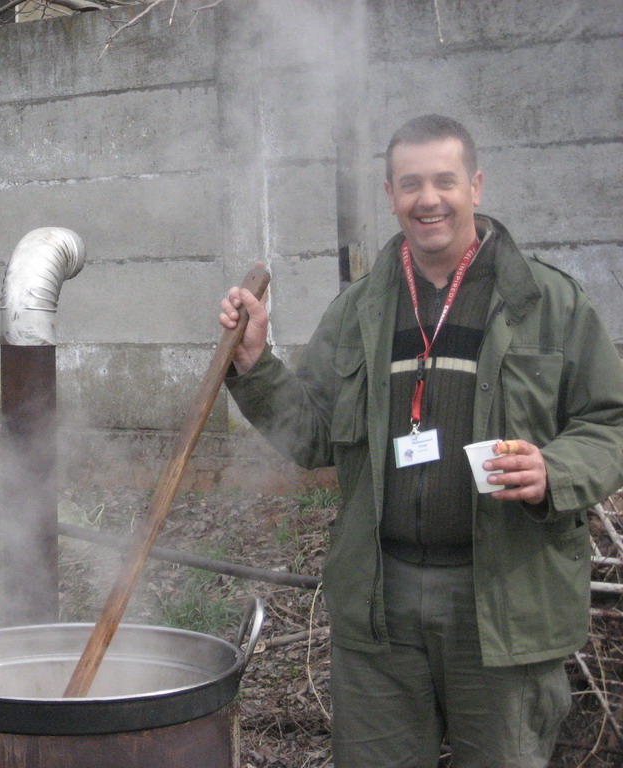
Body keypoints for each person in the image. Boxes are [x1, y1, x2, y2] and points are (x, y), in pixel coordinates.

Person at [220, 114, 623, 767]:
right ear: (389, 195)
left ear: (477, 186)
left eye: (444, 180)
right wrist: (257, 362)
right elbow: (313, 436)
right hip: (383, 596)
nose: (428, 198)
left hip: (504, 596)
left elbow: (610, 421)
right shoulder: (358, 311)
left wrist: (556, 471)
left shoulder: (549, 302)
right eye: (411, 184)